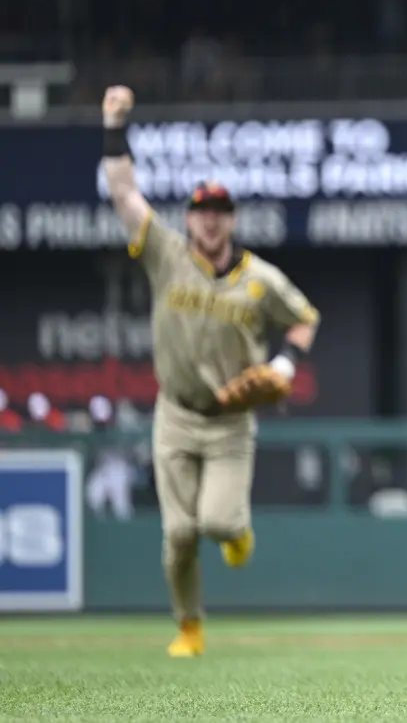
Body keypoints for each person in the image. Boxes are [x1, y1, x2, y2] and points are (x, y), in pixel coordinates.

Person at [99, 86, 321, 657]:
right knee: (178, 536)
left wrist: (283, 361)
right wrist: (113, 127)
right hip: (175, 412)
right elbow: (123, 191)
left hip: (229, 420)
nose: (210, 220)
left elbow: (304, 320)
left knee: (219, 524)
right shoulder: (165, 253)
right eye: (202, 211)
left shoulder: (259, 277)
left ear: (231, 219)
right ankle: (189, 628)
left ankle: (238, 534)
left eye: (220, 212)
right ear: (190, 217)